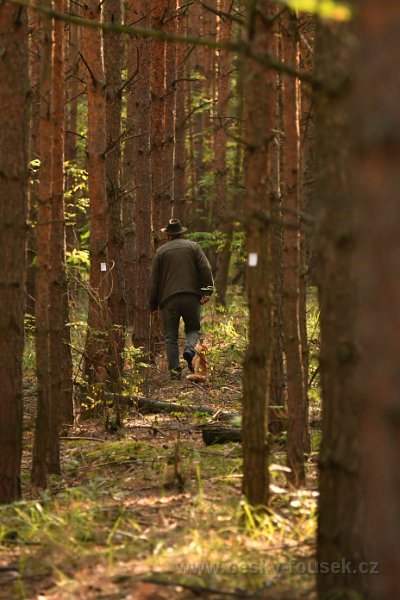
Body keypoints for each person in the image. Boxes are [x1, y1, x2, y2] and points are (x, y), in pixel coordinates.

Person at [149, 218, 214, 379]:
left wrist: (153, 304)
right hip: (192, 296)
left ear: (168, 235)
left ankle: (175, 373)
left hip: (168, 299)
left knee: (170, 337)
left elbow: (154, 280)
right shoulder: (194, 247)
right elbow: (205, 269)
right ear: (182, 233)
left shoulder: (161, 252)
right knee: (193, 329)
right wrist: (207, 291)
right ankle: (190, 350)